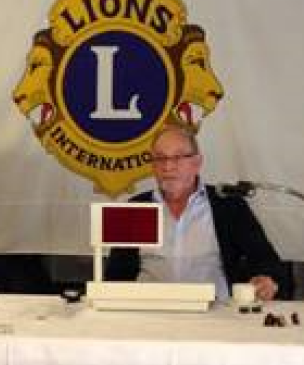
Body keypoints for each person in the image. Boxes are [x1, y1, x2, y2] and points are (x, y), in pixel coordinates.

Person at [106, 125, 290, 301]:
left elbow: (267, 263)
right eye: (160, 158)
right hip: (147, 312)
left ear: (197, 162)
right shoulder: (136, 207)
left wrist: (267, 281)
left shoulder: (228, 205)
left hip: (214, 313)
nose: (168, 167)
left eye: (178, 157)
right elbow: (115, 276)